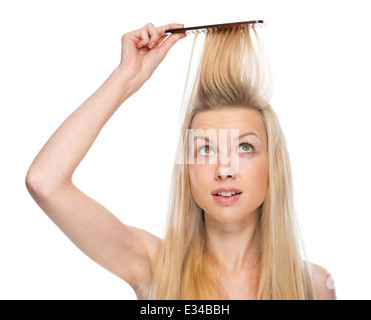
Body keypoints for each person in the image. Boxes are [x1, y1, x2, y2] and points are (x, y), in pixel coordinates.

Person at [26, 22, 336, 300]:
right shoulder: (155, 268)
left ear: (273, 165)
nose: (224, 170)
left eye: (244, 147)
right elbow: (45, 182)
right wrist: (127, 78)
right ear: (186, 169)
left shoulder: (313, 286)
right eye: (204, 150)